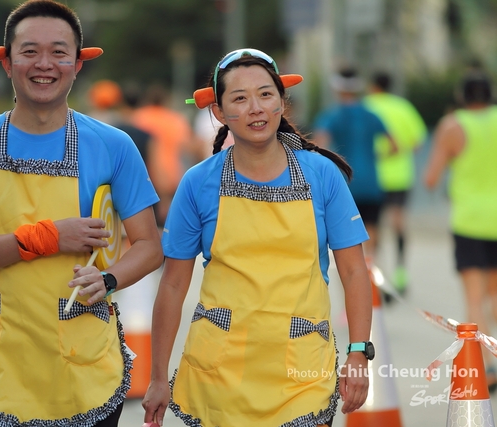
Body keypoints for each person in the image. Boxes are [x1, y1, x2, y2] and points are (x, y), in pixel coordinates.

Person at [0, 1, 163, 426]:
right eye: (30, 51)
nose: (45, 64)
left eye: (59, 52)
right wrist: (48, 238)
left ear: (78, 65)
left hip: (85, 372)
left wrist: (109, 279)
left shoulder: (113, 146)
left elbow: (149, 246)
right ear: (7, 62)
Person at [142, 49, 373, 427]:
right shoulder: (198, 182)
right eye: (239, 98)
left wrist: (359, 352)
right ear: (218, 112)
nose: (255, 108)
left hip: (302, 373)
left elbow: (354, 271)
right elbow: (172, 284)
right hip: (219, 379)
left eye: (266, 94)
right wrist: (157, 377)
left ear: (282, 101)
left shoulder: (322, 175)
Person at [424, 70, 497, 391]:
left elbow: (430, 179)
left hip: (470, 221)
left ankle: (489, 366)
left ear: (461, 96)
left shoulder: (452, 127)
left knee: (475, 299)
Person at [313, 68, 396, 261]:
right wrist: (376, 156)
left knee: (347, 230)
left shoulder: (332, 115)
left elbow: (319, 143)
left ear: (337, 89)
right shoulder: (371, 115)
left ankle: (354, 268)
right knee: (372, 225)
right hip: (371, 182)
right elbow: (394, 146)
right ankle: (371, 264)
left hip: (345, 182)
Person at [364, 72, 427, 294]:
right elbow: (418, 143)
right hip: (400, 176)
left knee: (373, 228)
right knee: (398, 223)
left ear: (372, 86)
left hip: (373, 177)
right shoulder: (403, 107)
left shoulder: (367, 106)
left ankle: (378, 276)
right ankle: (401, 273)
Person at [131, 83, 200, 227]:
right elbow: (191, 148)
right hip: (171, 177)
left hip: (144, 177)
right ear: (165, 101)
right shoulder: (175, 119)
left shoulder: (138, 118)